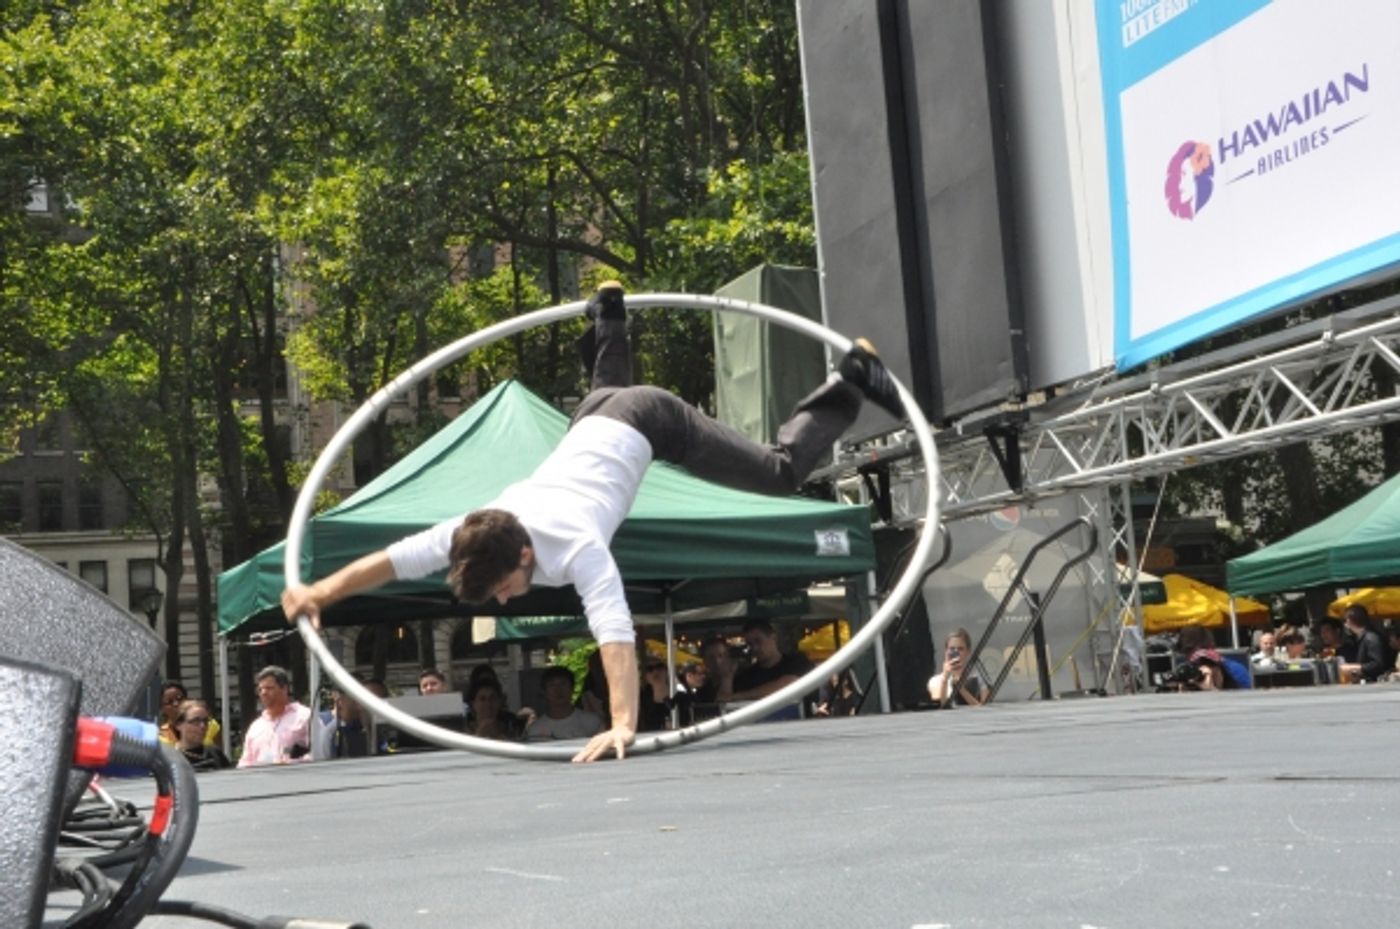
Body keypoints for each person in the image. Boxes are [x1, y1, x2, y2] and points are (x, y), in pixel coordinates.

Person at [280, 282, 900, 761]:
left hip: (649, 421)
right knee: (608, 391)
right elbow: (393, 559)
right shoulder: (476, 531)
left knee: (780, 471)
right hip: (595, 416)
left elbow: (616, 638)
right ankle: (609, 315)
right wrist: (319, 592)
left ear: (525, 555)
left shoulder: (578, 544)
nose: (503, 599)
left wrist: (624, 724)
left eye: (502, 588)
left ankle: (850, 380)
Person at [722, 619, 815, 706]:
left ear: (773, 638)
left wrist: (741, 696)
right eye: (750, 644)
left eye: (758, 641)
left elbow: (789, 684)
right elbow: (724, 702)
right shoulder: (747, 676)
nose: (755, 648)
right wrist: (727, 676)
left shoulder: (798, 662)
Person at [237, 665, 313, 767]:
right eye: (260, 689)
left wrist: (291, 763)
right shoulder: (255, 727)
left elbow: (319, 753)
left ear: (284, 689)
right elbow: (245, 763)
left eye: (269, 688)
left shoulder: (304, 716)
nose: (263, 693)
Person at [525, 666, 603, 742]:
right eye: (552, 685)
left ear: (572, 688)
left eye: (563, 684)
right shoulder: (535, 729)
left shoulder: (592, 722)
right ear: (544, 691)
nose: (558, 690)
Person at [926, 628, 986, 707]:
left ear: (968, 652)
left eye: (960, 649)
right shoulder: (936, 681)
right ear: (946, 651)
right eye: (952, 649)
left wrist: (960, 687)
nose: (956, 652)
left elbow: (985, 710)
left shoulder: (979, 679)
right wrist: (945, 679)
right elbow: (941, 707)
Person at [157, 680, 223, 748]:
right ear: (162, 708)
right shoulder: (161, 736)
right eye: (169, 702)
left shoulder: (210, 725)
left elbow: (220, 754)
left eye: (179, 698)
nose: (176, 704)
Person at [170, 699, 231, 771]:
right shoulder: (171, 759)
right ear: (178, 725)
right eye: (196, 721)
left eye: (205, 721)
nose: (203, 726)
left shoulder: (216, 753)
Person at [1339, 605, 1388, 683]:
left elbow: (1377, 664)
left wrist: (1352, 667)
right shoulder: (1361, 638)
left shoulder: (1371, 638)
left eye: (1345, 620)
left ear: (1349, 621)